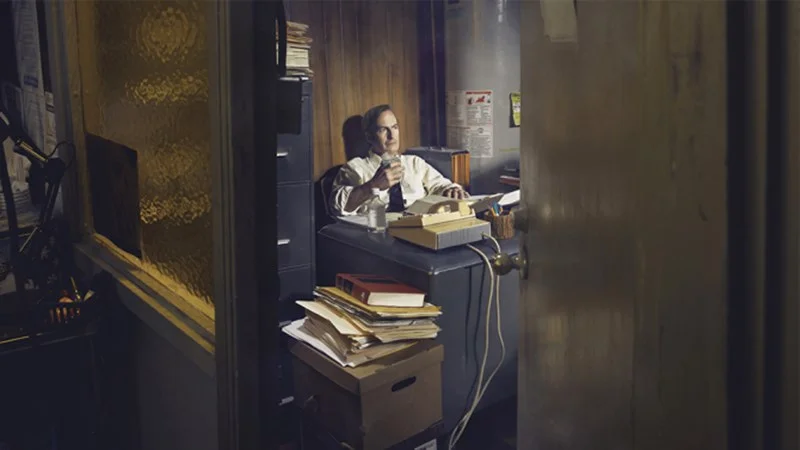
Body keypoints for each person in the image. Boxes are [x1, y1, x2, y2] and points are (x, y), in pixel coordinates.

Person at [330, 104, 468, 216]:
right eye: (383, 130)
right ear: (369, 137)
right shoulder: (355, 168)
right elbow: (337, 206)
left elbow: (441, 185)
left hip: (418, 231)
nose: (392, 135)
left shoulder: (414, 163)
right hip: (378, 234)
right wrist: (373, 185)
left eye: (394, 127)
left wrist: (452, 190)